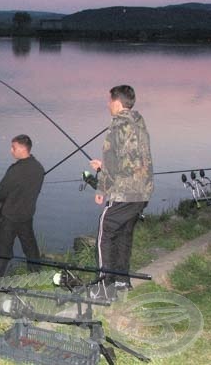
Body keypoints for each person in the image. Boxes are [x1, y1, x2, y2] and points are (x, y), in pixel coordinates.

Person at [89, 85, 153, 300]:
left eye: (109, 101)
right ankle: (121, 281)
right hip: (142, 193)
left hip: (124, 193)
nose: (108, 105)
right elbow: (133, 160)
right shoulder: (139, 123)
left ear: (116, 102)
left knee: (105, 233)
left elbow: (112, 163)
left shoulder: (116, 126)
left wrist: (101, 185)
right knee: (124, 234)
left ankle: (103, 287)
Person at [0, 134, 45, 282]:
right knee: (30, 247)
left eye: (13, 147)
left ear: (22, 149)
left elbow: (1, 193)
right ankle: (36, 274)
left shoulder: (15, 170)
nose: (11, 151)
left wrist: (5, 201)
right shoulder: (39, 168)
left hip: (10, 216)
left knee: (3, 250)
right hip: (27, 215)